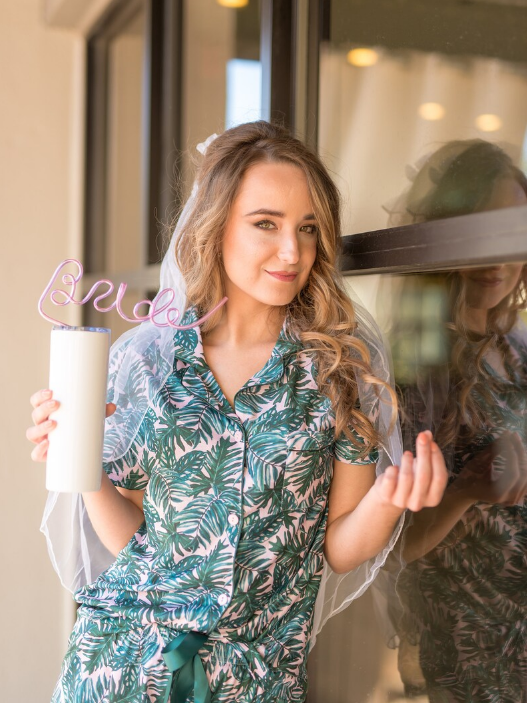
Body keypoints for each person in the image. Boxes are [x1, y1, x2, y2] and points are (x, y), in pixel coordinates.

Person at [27, 121, 446, 703]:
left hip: (257, 680)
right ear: (216, 225)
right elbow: (134, 541)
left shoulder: (337, 372)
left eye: (307, 228)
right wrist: (81, 459)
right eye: (265, 224)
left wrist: (389, 498)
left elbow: (337, 547)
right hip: (117, 668)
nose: (292, 251)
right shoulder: (147, 360)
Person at [386, 140, 527, 703]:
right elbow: (390, 549)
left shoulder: (515, 350)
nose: (496, 255)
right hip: (467, 648)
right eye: (476, 229)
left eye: (510, 230)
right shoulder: (415, 367)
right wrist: (467, 489)